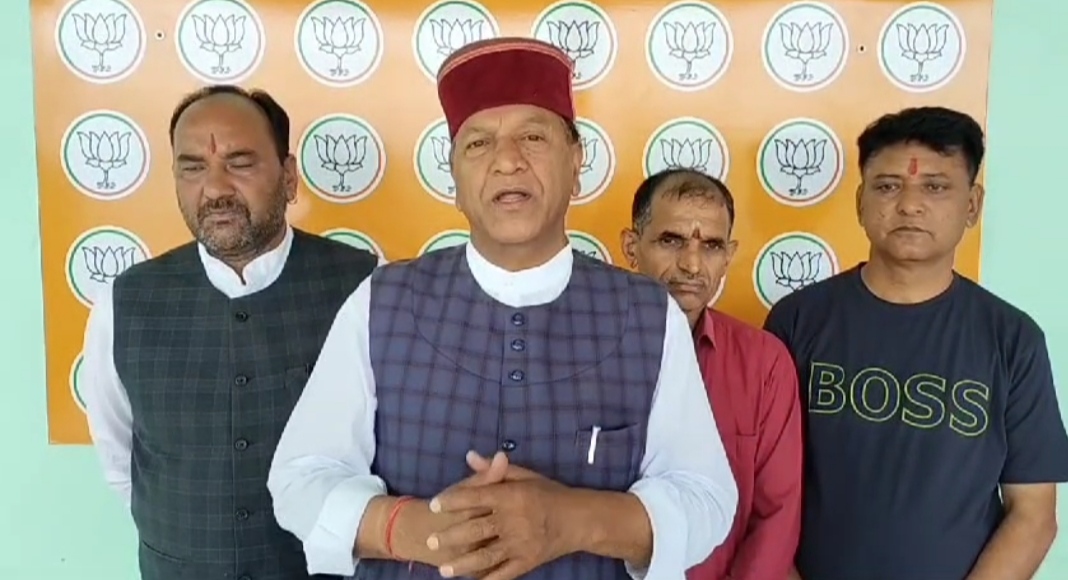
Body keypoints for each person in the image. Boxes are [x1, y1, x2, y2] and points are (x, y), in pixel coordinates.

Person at [267, 37, 738, 580]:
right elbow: (300, 480)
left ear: (576, 162)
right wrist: (414, 528)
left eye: (533, 137)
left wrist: (570, 520)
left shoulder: (650, 315)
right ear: (455, 179)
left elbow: (706, 499)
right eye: (478, 143)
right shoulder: (381, 301)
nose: (508, 161)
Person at [81, 85, 380, 580]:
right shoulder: (124, 302)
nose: (215, 188)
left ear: (288, 177)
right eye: (192, 167)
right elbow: (120, 460)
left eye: (239, 163)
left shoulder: (366, 287)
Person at [763, 106, 1068, 580]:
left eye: (935, 187)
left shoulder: (1012, 339)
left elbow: (1033, 515)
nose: (909, 205)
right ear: (860, 201)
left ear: (973, 205)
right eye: (888, 186)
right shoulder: (797, 321)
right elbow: (759, 490)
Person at [620, 168, 802, 580]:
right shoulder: (587, 351)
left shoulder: (763, 363)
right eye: (671, 241)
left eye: (712, 246)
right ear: (632, 246)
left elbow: (776, 514)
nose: (691, 264)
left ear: (729, 256)